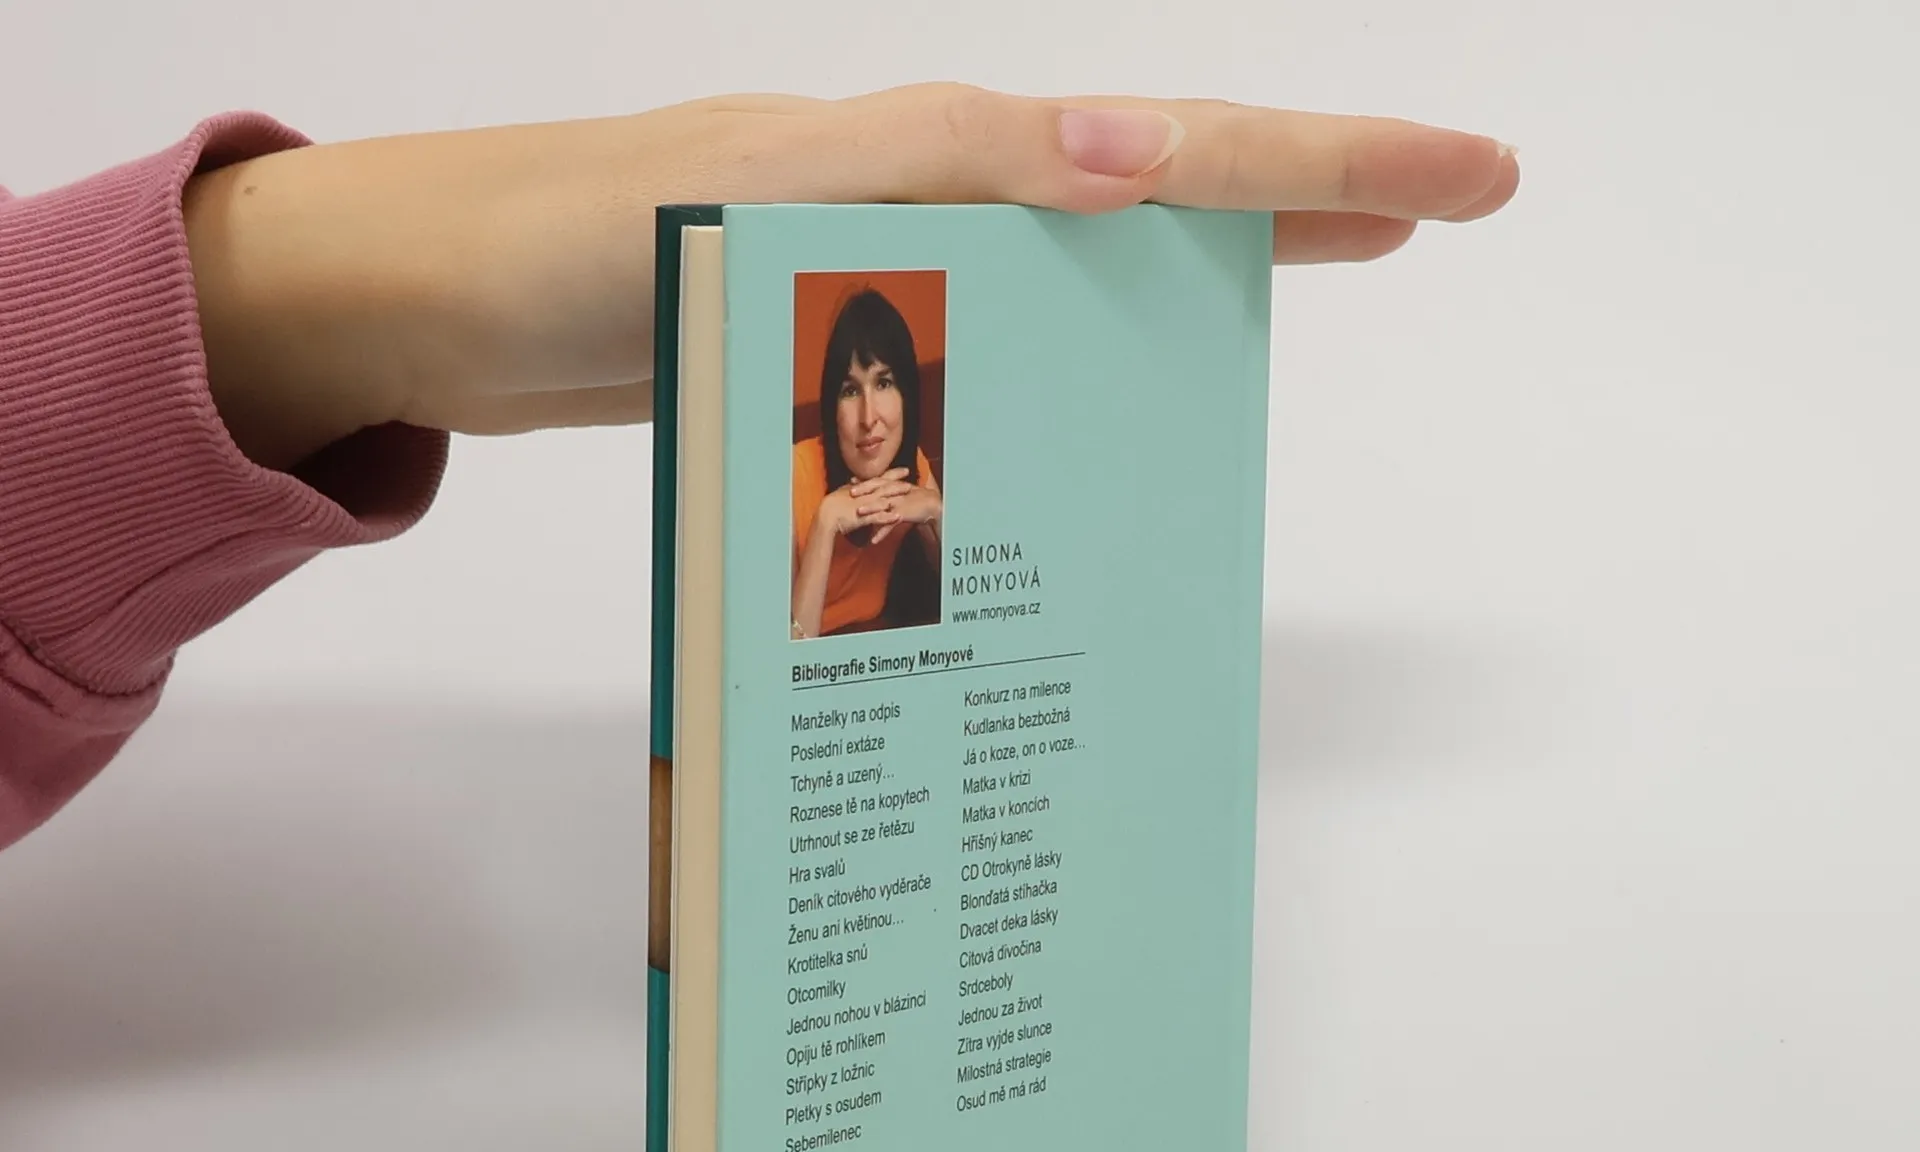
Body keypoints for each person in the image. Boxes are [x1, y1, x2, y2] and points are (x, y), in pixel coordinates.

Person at [0, 87, 1518, 852]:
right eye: (847, 378)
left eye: (885, 376)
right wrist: (273, 303)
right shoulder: (826, 544)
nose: (867, 405)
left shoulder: (945, 534)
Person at [792, 286, 943, 639]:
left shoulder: (910, 464)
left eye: (884, 383)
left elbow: (979, 612)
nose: (868, 417)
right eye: (850, 391)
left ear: (907, 396)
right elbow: (788, 652)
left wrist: (938, 513)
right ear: (832, 408)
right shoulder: (792, 475)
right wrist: (825, 523)